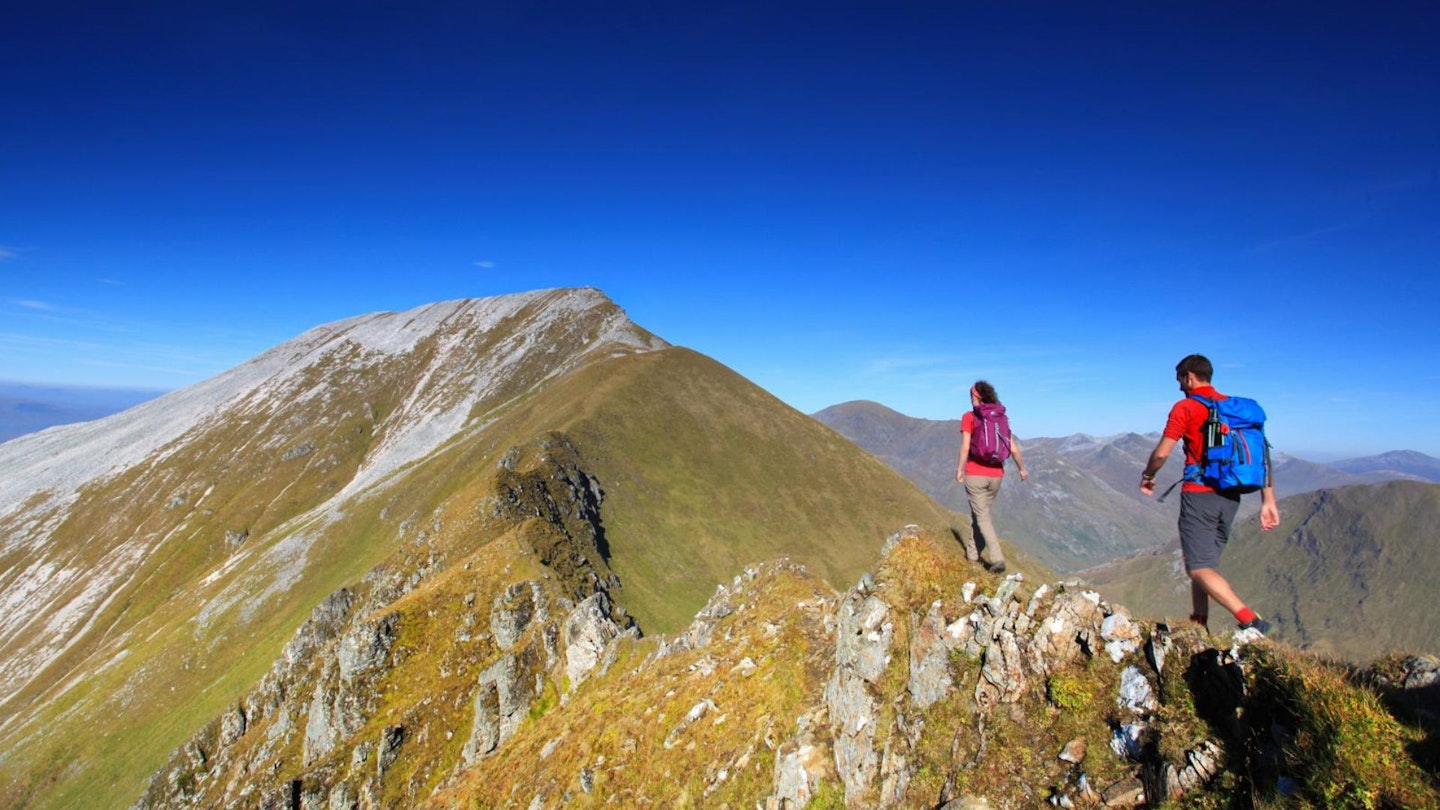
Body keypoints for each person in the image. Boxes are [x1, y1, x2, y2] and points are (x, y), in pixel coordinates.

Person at [1139, 354, 1281, 634]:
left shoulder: (1186, 407)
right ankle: (1198, 622)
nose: (1179, 385)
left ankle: (1251, 621)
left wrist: (1148, 476)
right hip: (1230, 496)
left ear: (1189, 376)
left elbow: (1162, 453)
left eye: (1180, 379)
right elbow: (1262, 456)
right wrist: (1268, 500)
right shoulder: (1236, 410)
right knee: (1200, 562)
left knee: (1199, 568)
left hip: (1199, 495)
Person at [955, 380, 1028, 572]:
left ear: (975, 397)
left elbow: (965, 447)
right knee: (979, 515)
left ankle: (997, 558)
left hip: (975, 474)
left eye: (971, 396)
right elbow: (1012, 448)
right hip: (996, 476)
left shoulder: (969, 417)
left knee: (982, 517)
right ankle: (972, 557)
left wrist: (960, 469)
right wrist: (1022, 468)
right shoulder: (1000, 418)